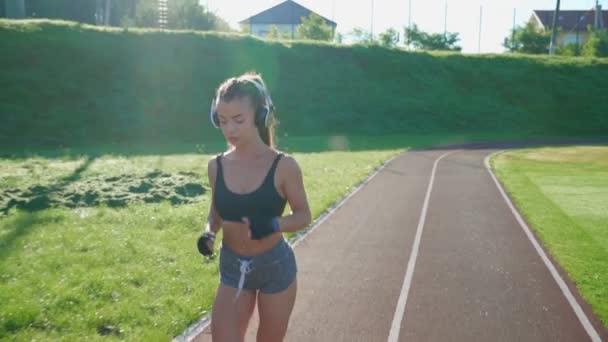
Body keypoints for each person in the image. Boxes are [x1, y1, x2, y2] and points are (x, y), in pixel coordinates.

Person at [200, 72, 312, 342]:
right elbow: (216, 212)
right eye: (223, 121)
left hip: (275, 267)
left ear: (260, 117)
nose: (230, 130)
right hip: (232, 267)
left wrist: (274, 224)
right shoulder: (216, 166)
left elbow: (303, 215)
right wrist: (209, 232)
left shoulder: (284, 166)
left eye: (238, 120)